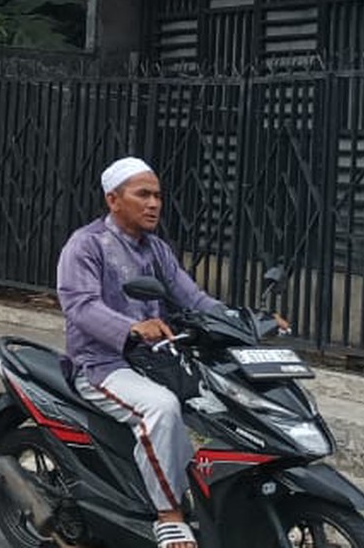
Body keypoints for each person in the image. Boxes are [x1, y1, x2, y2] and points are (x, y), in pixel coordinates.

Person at [56, 157, 285, 548]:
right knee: (161, 409)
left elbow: (193, 299)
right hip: (102, 364)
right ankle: (169, 515)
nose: (154, 204)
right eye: (142, 194)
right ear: (113, 199)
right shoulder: (86, 245)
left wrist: (248, 321)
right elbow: (80, 306)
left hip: (157, 361)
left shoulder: (157, 250)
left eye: (158, 195)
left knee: (222, 407)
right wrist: (130, 328)